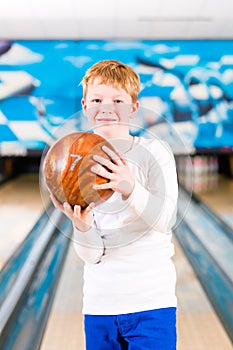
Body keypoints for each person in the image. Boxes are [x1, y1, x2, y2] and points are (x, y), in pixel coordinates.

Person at [51, 59, 178, 349]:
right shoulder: (75, 164)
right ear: (85, 105)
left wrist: (130, 188)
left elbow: (165, 220)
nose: (106, 108)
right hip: (100, 307)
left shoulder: (154, 152)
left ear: (133, 107)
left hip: (152, 304)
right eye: (97, 99)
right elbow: (91, 256)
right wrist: (81, 226)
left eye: (117, 100)